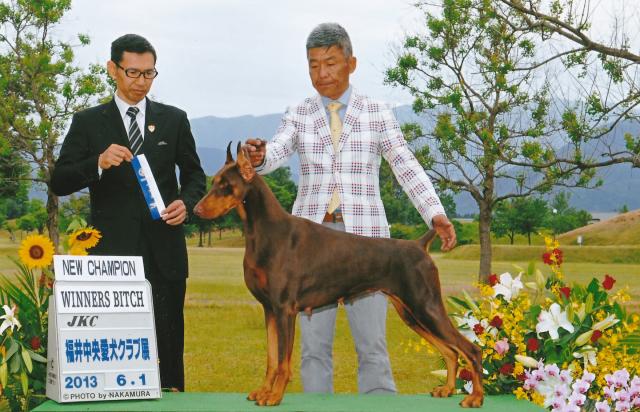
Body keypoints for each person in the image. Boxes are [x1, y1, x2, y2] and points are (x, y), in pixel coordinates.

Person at [244, 23, 457, 394]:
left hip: (368, 244)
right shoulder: (298, 112)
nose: (321, 73)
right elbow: (276, 150)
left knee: (372, 348)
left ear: (351, 63)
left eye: (330, 63)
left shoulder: (378, 111)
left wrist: (434, 213)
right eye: (313, 65)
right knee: (313, 351)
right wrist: (259, 158)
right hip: (309, 249)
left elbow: (405, 164)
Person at [51, 34, 206, 392]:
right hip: (111, 258)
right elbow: (59, 181)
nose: (141, 82)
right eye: (133, 73)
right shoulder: (88, 122)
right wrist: (98, 162)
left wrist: (187, 203)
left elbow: (195, 175)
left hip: (164, 254)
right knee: (115, 354)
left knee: (169, 350)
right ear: (112, 69)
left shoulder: (174, 119)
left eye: (149, 74)